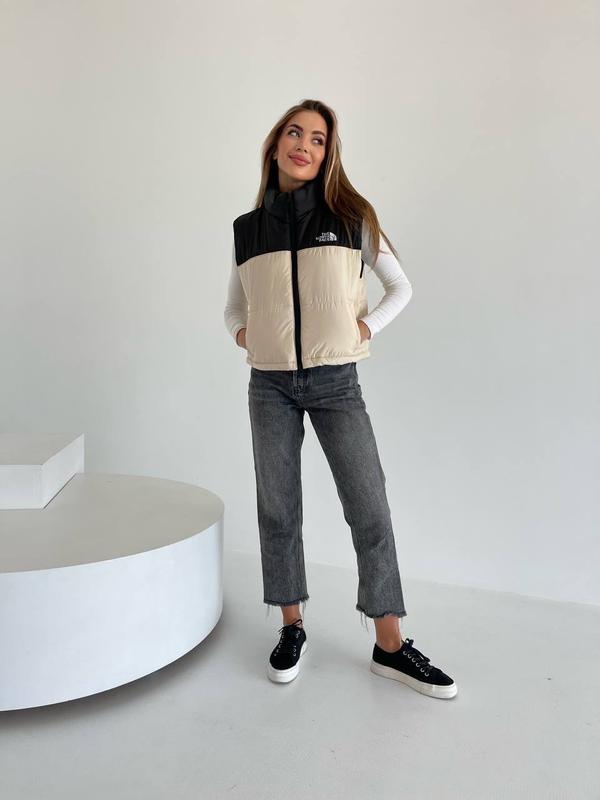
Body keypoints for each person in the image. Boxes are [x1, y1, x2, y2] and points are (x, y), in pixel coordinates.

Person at [224, 99, 457, 699]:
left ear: (328, 153)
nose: (304, 145)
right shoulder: (248, 229)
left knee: (368, 506)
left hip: (336, 383)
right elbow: (234, 306)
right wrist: (246, 336)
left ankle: (390, 645)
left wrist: (365, 328)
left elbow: (399, 287)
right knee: (278, 509)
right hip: (269, 386)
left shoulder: (351, 218)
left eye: (318, 139)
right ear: (276, 144)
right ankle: (292, 626)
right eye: (295, 133)